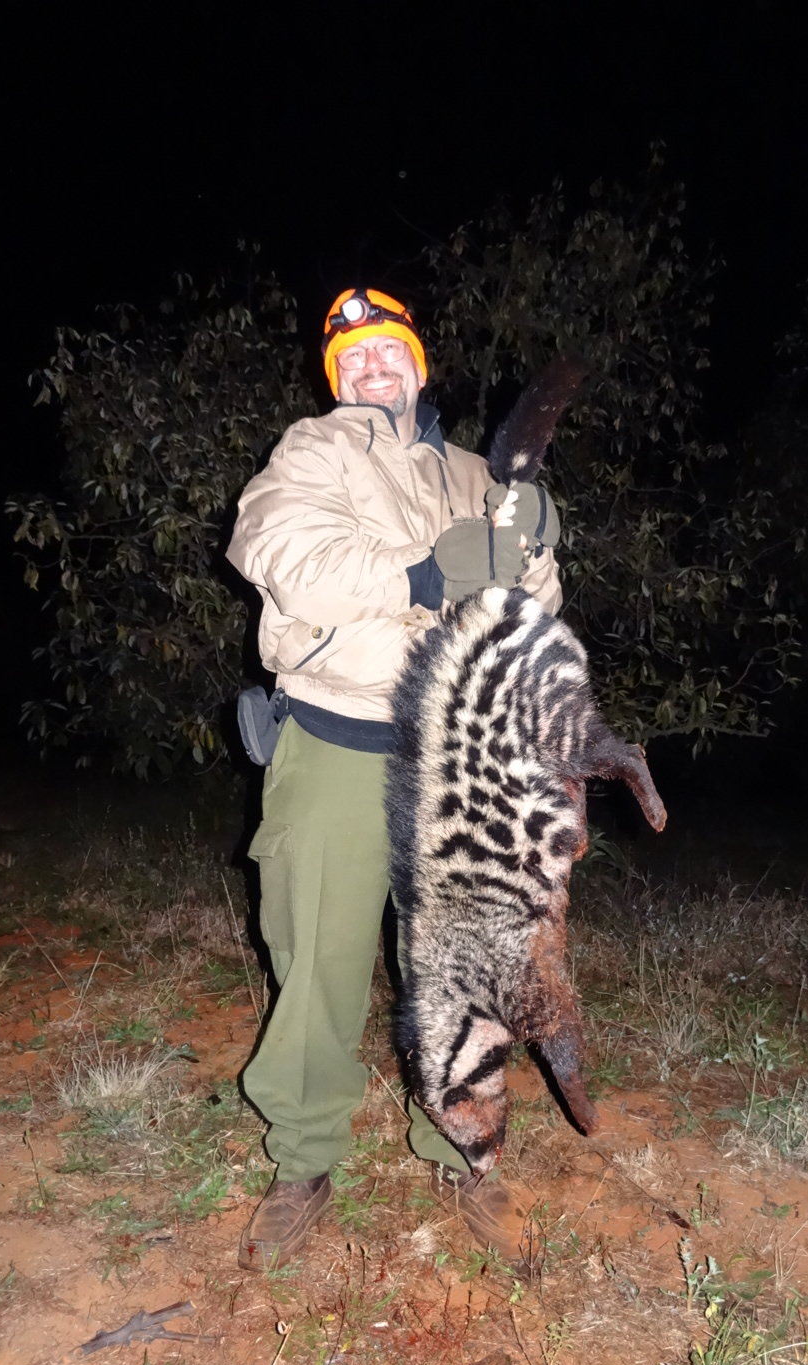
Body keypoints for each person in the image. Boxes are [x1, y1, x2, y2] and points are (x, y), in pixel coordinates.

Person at [226, 287, 561, 1274]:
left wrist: (537, 545)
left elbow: (532, 603)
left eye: (390, 352)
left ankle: (464, 1153)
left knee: (463, 974)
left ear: (418, 365)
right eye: (354, 359)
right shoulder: (312, 453)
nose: (374, 368)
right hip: (337, 739)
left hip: (457, 757)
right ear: (339, 380)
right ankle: (303, 1161)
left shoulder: (475, 476)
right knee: (316, 966)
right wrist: (423, 577)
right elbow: (283, 554)